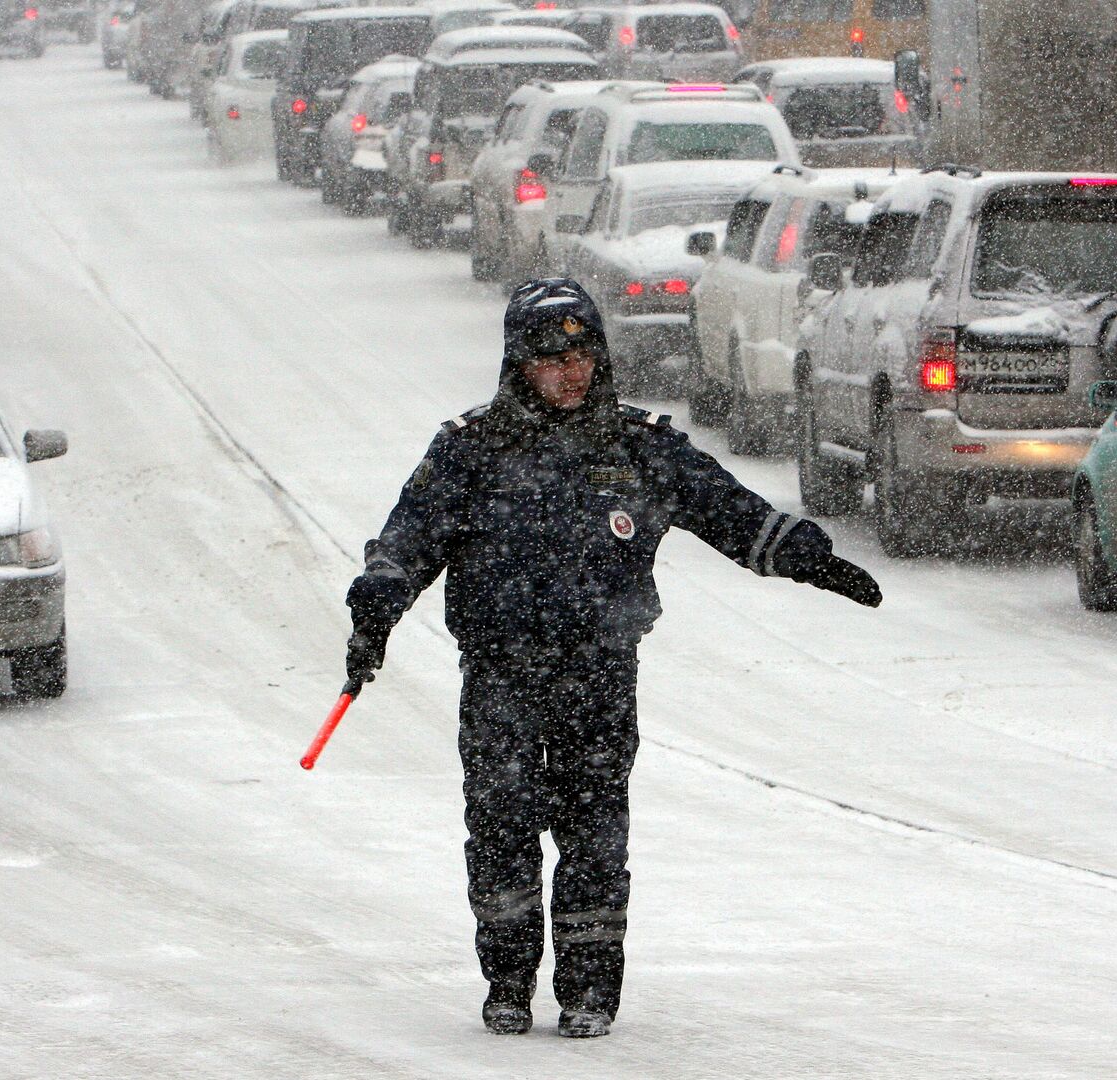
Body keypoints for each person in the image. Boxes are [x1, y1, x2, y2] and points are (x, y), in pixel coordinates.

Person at [343, 279, 881, 1039]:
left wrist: (808, 557)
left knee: (595, 835)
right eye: (551, 358)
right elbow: (406, 543)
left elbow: (731, 512)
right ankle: (507, 980)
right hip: (501, 675)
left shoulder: (641, 447)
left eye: (583, 353)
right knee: (499, 827)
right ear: (517, 365)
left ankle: (590, 991)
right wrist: (375, 613)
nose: (571, 371)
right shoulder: (468, 451)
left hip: (598, 676)